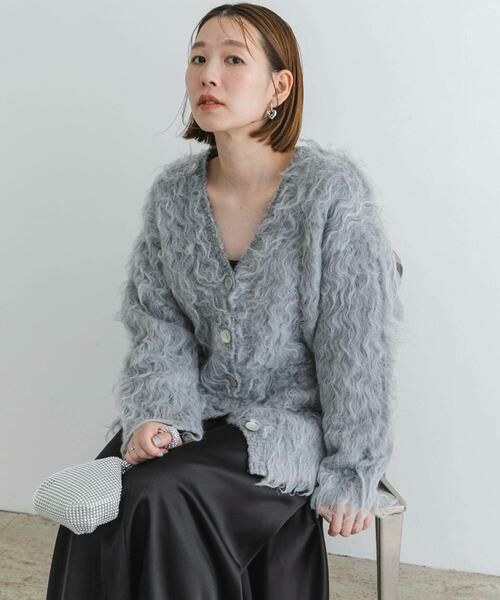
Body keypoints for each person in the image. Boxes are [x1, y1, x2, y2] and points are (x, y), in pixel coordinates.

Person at [46, 3, 404, 599]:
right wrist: (156, 415)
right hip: (196, 415)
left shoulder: (331, 193)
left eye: (233, 60)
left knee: (160, 494)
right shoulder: (173, 196)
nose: (208, 75)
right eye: (198, 58)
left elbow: (357, 349)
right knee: (100, 502)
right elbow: (158, 327)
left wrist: (354, 470)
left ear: (279, 86)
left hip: (290, 426)